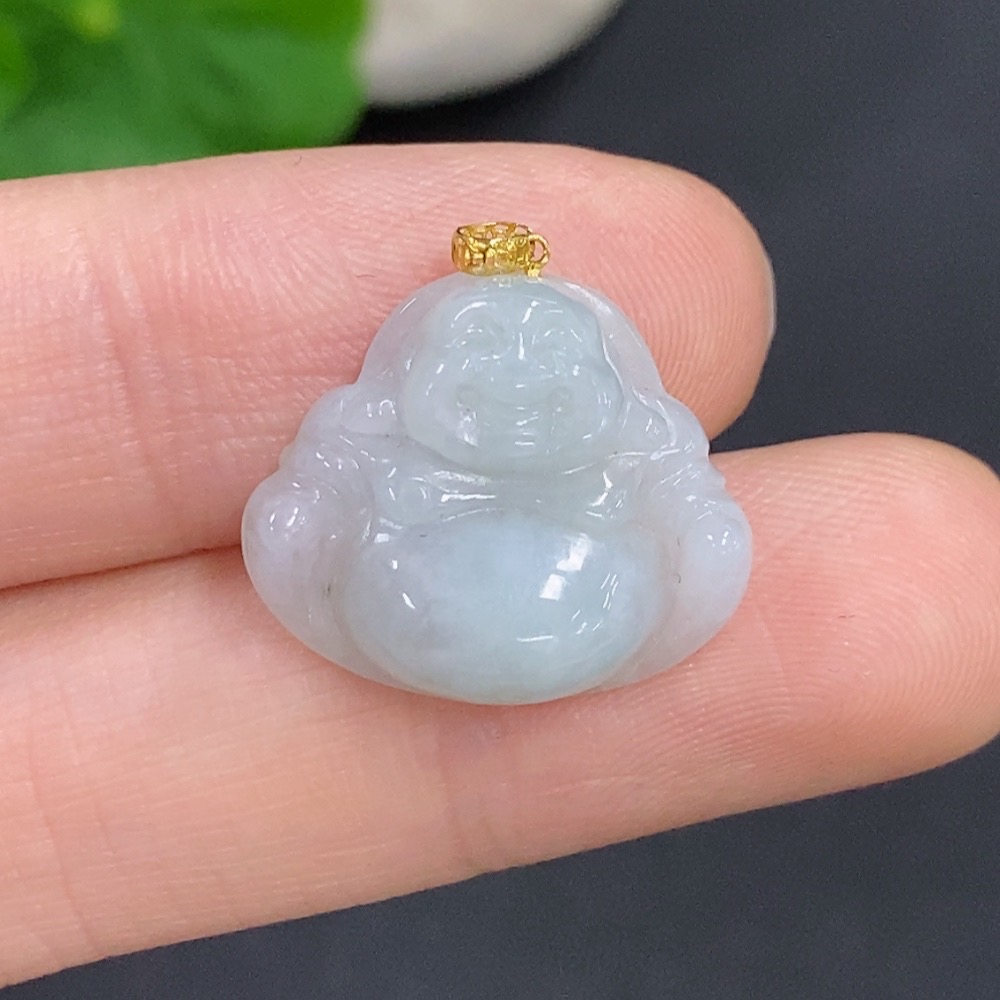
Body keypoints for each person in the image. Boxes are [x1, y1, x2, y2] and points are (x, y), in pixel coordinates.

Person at [0, 144, 998, 987]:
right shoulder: (378, 460)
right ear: (408, 380)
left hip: (596, 595)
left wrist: (689, 529)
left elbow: (686, 515)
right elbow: (309, 513)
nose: (518, 379)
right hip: (405, 593)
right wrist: (313, 518)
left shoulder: (625, 467)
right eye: (477, 351)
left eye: (555, 357)